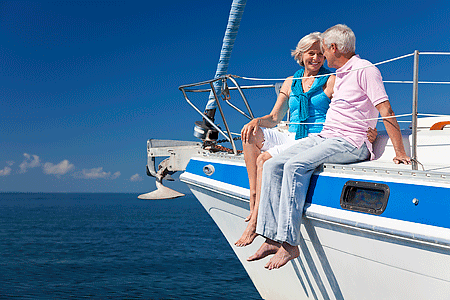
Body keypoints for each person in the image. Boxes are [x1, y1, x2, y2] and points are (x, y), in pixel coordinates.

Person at [248, 24, 411, 270]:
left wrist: (400, 152)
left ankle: (290, 244)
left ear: (333, 48)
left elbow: (385, 109)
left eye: (324, 49)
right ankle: (271, 237)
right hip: (327, 136)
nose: (322, 55)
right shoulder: (342, 73)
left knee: (294, 166)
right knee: (272, 164)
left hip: (350, 142)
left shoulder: (365, 70)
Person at [234, 32, 376, 247]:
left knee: (264, 159)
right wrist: (256, 121)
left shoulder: (331, 80)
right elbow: (274, 118)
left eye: (320, 54)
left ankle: (255, 221)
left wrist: (369, 128)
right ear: (301, 55)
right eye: (311, 53)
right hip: (289, 133)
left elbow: (354, 106)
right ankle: (254, 196)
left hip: (313, 136)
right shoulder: (291, 81)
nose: (316, 58)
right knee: (248, 134)